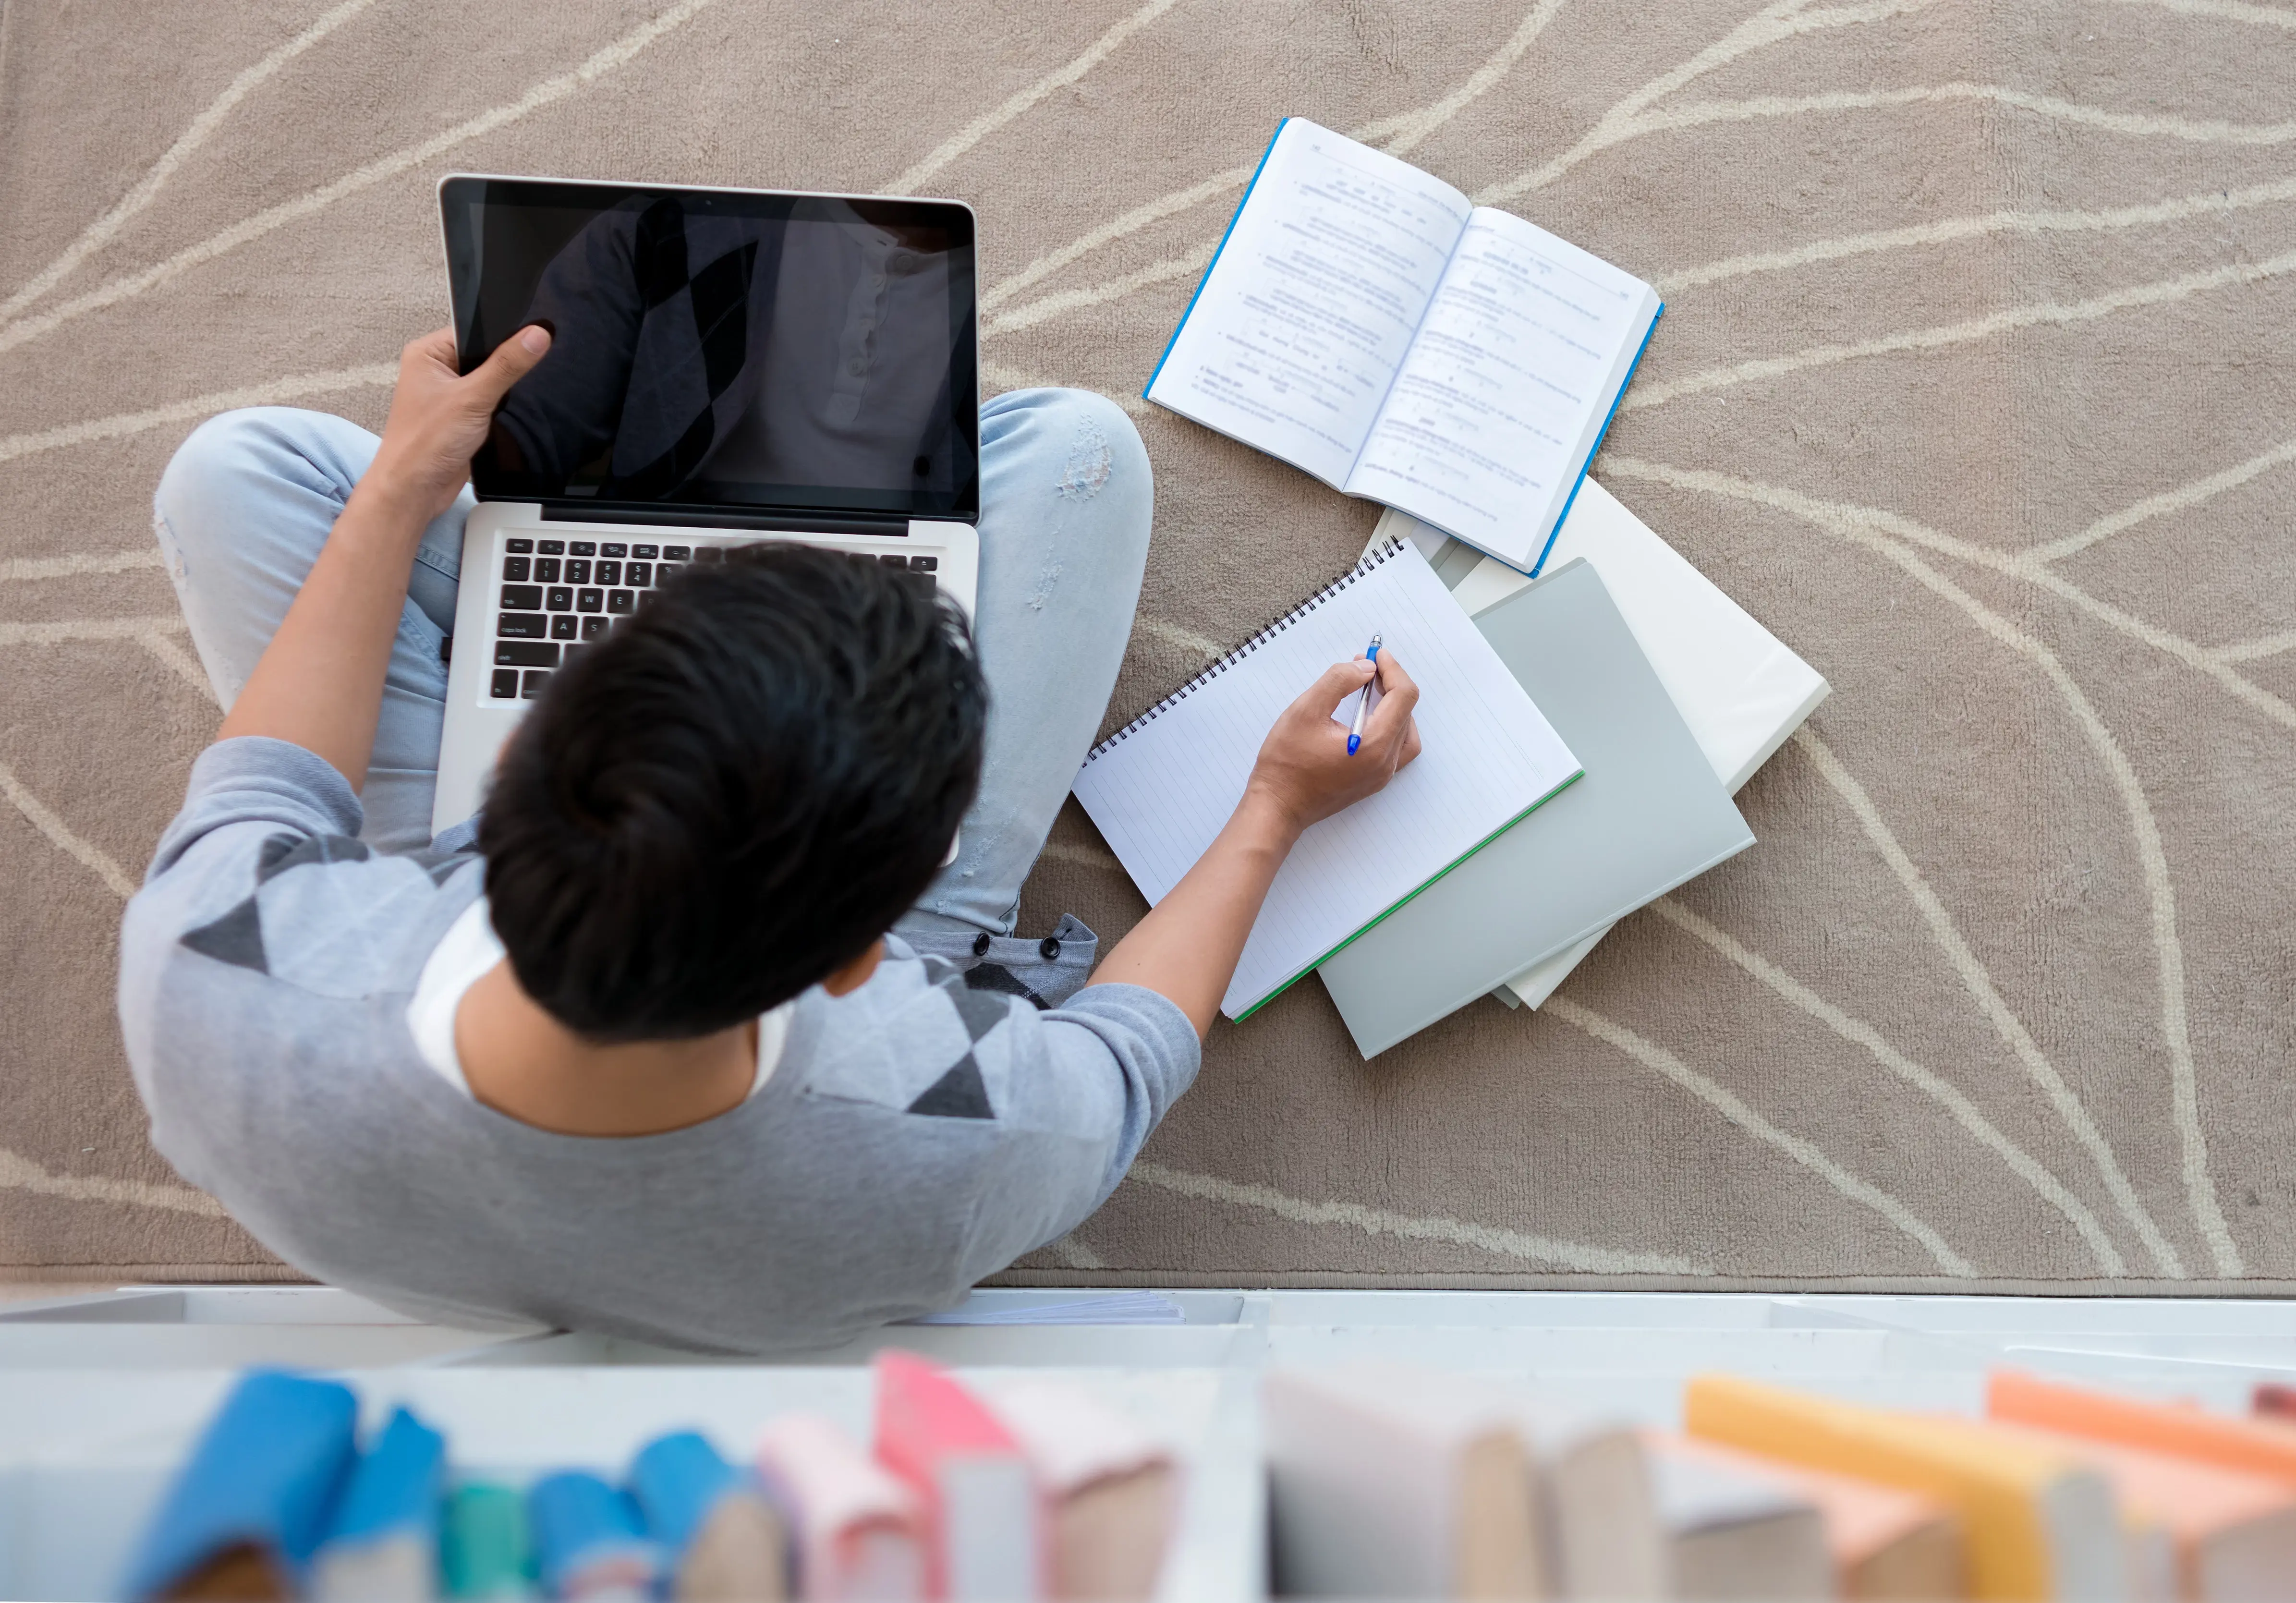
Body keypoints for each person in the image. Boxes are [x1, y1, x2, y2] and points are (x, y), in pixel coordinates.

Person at [117, 326, 1421, 1353]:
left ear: (512, 758)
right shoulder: (961, 1131)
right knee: (1080, 450)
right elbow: (1125, 1055)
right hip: (813, 1015)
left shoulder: (218, 964)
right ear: (863, 958)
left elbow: (275, 774)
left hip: (441, 951)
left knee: (235, 472)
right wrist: (1275, 807)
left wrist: (409, 479)